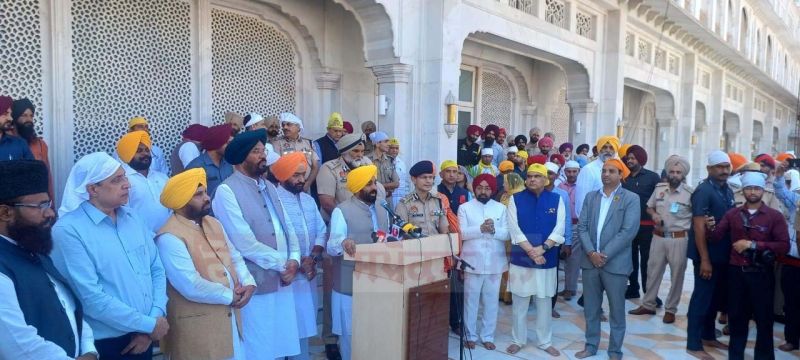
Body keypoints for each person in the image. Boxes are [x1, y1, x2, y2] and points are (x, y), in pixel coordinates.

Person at [52, 152, 168, 360]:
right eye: (117, 180)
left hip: (146, 335)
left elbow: (156, 268)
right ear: (92, 189)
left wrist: (153, 319)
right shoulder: (68, 231)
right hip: (107, 344)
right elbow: (91, 298)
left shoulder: (132, 217)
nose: (127, 185)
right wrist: (149, 324)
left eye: (125, 177)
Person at [211, 129, 302, 360]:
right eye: (256, 152)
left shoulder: (269, 186)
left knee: (281, 344)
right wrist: (284, 264)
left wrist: (295, 259)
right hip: (256, 282)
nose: (263, 156)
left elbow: (288, 227)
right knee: (259, 347)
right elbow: (244, 243)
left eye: (263, 150)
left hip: (283, 279)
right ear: (242, 157)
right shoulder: (226, 191)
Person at [0, 160, 98, 360]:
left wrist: (89, 350)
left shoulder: (34, 248)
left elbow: (69, 306)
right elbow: (18, 346)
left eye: (49, 204)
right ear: (5, 213)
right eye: (39, 206)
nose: (51, 213)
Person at [156, 168, 256, 360]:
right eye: (198, 195)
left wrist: (248, 282)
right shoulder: (169, 237)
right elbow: (190, 285)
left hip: (230, 322)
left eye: (205, 192)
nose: (207, 198)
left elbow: (234, 256)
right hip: (198, 330)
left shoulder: (213, 223)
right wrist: (230, 295)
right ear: (182, 201)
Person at [709, 171, 790, 360]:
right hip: (736, 274)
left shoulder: (775, 216)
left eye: (756, 188)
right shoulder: (733, 214)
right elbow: (715, 237)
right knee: (737, 320)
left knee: (764, 321)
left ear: (763, 191)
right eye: (749, 188)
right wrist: (709, 227)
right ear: (743, 191)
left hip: (762, 274)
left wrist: (753, 245)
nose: (753, 192)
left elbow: (784, 246)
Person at [575, 159, 640, 360]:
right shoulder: (591, 197)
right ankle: (591, 345)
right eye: (604, 170)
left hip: (615, 264)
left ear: (621, 175)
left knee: (617, 310)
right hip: (590, 262)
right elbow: (582, 227)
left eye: (612, 171)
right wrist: (591, 253)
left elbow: (628, 231)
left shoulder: (631, 198)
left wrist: (603, 255)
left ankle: (614, 351)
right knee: (591, 308)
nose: (606, 174)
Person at [327, 165, 388, 360]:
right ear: (357, 187)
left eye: (375, 183)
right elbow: (331, 246)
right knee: (351, 337)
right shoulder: (341, 211)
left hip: (379, 282)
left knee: (375, 333)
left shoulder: (383, 208)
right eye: (368, 184)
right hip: (349, 286)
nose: (374, 187)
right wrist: (343, 243)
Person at [505, 163, 565, 356]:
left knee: (544, 301)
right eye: (529, 176)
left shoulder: (556, 199)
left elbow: (560, 228)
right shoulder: (515, 199)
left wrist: (543, 248)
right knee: (520, 302)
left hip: (547, 257)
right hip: (521, 258)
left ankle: (544, 341)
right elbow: (514, 229)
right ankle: (518, 339)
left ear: (545, 180)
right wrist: (532, 251)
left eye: (537, 176)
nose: (532, 179)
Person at [273, 152, 327, 360]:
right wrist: (294, 262)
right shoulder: (274, 201)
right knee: (283, 330)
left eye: (303, 175)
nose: (301, 180)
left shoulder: (308, 200)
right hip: (284, 276)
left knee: (304, 329)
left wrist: (312, 258)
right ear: (282, 176)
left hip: (308, 274)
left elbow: (321, 231)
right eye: (295, 175)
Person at [629, 156, 693, 324]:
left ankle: (670, 309)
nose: (675, 175)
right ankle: (648, 304)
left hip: (678, 239)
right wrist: (654, 215)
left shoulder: (690, 194)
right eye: (672, 171)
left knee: (676, 275)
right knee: (652, 272)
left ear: (683, 175)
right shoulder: (659, 189)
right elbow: (649, 207)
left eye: (678, 172)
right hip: (658, 237)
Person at [685, 150, 735, 360]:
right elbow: (698, 226)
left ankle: (708, 336)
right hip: (706, 256)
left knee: (714, 298)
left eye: (726, 166)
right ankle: (693, 344)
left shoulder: (727, 190)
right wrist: (705, 259)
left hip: (722, 254)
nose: (724, 170)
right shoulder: (703, 191)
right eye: (719, 167)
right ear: (709, 169)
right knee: (702, 298)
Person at [458, 173, 508, 351]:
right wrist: (480, 228)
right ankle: (470, 335)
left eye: (487, 188)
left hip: (495, 262)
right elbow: (461, 233)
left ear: (492, 190)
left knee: (491, 302)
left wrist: (493, 230)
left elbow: (507, 234)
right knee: (470, 302)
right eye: (480, 188)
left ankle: (487, 336)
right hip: (472, 261)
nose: (483, 191)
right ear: (475, 189)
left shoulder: (501, 208)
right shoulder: (465, 208)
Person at [621, 145, 662, 300]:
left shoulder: (653, 177)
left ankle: (650, 294)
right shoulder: (624, 178)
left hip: (647, 228)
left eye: (633, 158)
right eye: (628, 158)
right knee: (630, 260)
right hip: (628, 227)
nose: (630, 161)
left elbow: (660, 199)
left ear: (640, 159)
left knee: (648, 261)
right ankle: (633, 288)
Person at [771, 160, 800, 352]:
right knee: (791, 303)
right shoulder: (796, 201)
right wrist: (780, 176)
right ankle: (792, 340)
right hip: (794, 262)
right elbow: (781, 192)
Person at [116, 131, 170, 232]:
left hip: (167, 236)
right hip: (139, 237)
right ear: (128, 154)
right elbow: (123, 215)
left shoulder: (162, 178)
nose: (145, 154)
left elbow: (172, 208)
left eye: (147, 150)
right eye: (139, 151)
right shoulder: (123, 181)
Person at [11, 98, 54, 200]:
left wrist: (51, 202)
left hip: (36, 202)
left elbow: (47, 176)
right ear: (15, 117)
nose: (29, 120)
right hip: (11, 202)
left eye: (31, 116)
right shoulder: (6, 143)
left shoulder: (40, 144)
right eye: (24, 115)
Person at [544, 161, 572, 318]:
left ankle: (551, 305)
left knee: (552, 274)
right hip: (535, 239)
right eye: (545, 173)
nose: (547, 176)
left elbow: (566, 219)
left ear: (556, 176)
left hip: (554, 241)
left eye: (551, 174)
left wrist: (567, 242)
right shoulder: (534, 192)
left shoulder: (562, 194)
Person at [395, 161, 450, 236]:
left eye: (430, 177)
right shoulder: (404, 204)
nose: (428, 181)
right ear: (414, 179)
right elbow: (401, 233)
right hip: (415, 242)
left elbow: (444, 230)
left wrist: (443, 212)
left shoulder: (437, 201)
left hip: (436, 241)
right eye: (424, 177)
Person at [271, 113, 320, 194]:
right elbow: (275, 167)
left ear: (298, 128)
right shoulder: (277, 143)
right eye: (283, 125)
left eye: (288, 124)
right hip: (286, 187)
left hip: (305, 187)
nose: (284, 127)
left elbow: (315, 166)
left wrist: (307, 184)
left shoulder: (308, 143)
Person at [575, 136, 619, 218]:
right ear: (599, 150)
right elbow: (581, 200)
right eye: (605, 147)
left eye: (611, 147)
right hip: (592, 220)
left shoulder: (618, 170)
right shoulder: (589, 169)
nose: (608, 150)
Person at [186, 123, 234, 198]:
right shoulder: (196, 167)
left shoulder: (229, 163)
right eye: (228, 143)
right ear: (217, 143)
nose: (232, 146)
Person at [559, 160, 581, 301]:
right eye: (569, 171)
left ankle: (570, 288)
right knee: (563, 258)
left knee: (573, 258)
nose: (571, 174)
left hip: (576, 225)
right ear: (564, 172)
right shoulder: (560, 186)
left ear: (579, 172)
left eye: (574, 171)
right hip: (560, 226)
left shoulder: (582, 187)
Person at [0, 96, 34, 161]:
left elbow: (33, 167)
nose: (10, 118)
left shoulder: (20, 144)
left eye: (10, 114)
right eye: (5, 114)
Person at [369, 131, 399, 200]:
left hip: (388, 199)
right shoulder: (367, 160)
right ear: (377, 144)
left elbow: (396, 183)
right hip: (374, 199)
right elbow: (367, 185)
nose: (389, 144)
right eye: (386, 142)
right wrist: (388, 185)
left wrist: (378, 186)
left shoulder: (389, 160)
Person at [388, 138, 410, 207]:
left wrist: (406, 197)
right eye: (392, 148)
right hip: (388, 197)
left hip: (401, 197)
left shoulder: (402, 163)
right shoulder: (384, 163)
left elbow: (405, 181)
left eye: (396, 148)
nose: (394, 150)